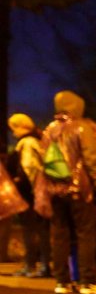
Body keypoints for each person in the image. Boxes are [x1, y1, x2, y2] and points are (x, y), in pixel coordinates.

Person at [33, 90, 96, 294]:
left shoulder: (49, 129)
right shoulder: (82, 127)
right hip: (80, 190)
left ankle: (61, 281)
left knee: (59, 235)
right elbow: (92, 159)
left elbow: (43, 161)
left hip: (55, 191)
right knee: (85, 234)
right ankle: (87, 281)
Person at [7, 113, 49, 277]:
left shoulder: (26, 143)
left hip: (30, 193)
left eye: (14, 128)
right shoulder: (37, 140)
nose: (13, 133)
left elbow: (29, 169)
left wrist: (19, 184)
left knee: (30, 229)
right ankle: (43, 263)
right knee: (41, 229)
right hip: (38, 192)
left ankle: (32, 264)